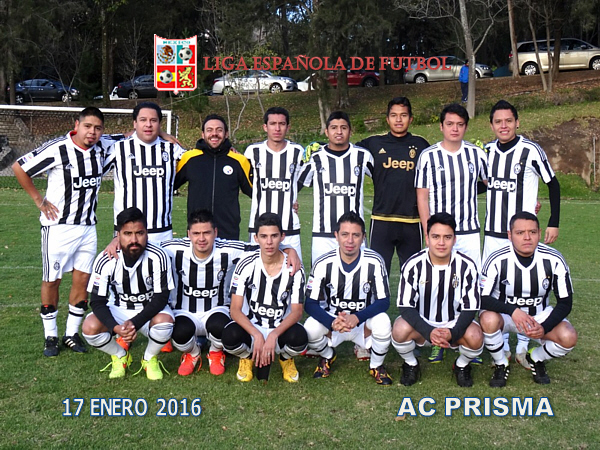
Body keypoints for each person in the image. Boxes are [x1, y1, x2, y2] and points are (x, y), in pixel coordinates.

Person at [12, 107, 116, 357]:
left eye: (98, 128)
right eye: (87, 126)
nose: (92, 132)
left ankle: (71, 333)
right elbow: (19, 167)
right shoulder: (58, 148)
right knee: (52, 280)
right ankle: (50, 336)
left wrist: (164, 135)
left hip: (87, 227)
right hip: (58, 227)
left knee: (82, 280)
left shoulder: (103, 146)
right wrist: (39, 200)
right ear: (76, 125)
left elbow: (132, 133)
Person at [161, 209, 301, 376]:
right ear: (188, 234)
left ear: (215, 232)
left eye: (207, 233)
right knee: (178, 332)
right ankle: (192, 353)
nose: (202, 238)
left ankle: (215, 351)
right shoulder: (172, 248)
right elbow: (147, 248)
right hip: (184, 311)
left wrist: (289, 250)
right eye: (196, 233)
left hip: (216, 310)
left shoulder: (228, 249)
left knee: (222, 327)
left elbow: (264, 245)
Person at [484, 99, 561, 366]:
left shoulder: (531, 150)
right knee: (495, 290)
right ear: (491, 125)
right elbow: (484, 185)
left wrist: (553, 221)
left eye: (508, 120)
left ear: (517, 122)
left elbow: (553, 184)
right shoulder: (487, 151)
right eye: (498, 121)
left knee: (527, 286)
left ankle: (524, 345)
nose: (503, 126)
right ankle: (502, 346)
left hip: (523, 234)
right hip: (493, 233)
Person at [480, 211, 577, 386]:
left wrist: (545, 327)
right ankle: (501, 362)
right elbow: (482, 297)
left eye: (532, 232)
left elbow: (565, 302)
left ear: (539, 233)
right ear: (510, 235)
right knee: (487, 319)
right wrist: (513, 311)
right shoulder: (497, 259)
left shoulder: (554, 259)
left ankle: (536, 357)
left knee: (568, 337)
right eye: (520, 233)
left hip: (538, 316)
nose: (527, 238)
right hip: (505, 315)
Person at [82, 207, 175, 380]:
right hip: (118, 309)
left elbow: (160, 298)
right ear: (118, 235)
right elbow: (97, 301)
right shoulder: (105, 259)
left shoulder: (158, 256)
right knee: (89, 327)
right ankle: (120, 356)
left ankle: (149, 358)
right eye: (127, 234)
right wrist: (115, 327)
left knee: (165, 323)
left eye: (139, 233)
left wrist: (134, 323)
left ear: (147, 233)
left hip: (149, 312)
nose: (134, 240)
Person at [392, 212, 483, 387]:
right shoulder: (413, 265)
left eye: (447, 237)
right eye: (436, 237)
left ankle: (461, 365)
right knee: (399, 329)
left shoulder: (467, 266)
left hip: (454, 322)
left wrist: (453, 333)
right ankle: (411, 364)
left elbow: (470, 307)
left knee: (475, 336)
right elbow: (405, 306)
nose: (441, 243)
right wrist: (429, 331)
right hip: (423, 322)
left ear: (454, 240)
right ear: (427, 239)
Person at [304, 212, 393, 385]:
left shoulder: (374, 261)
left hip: (363, 323)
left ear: (363, 237)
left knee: (383, 321)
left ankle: (376, 365)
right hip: (334, 324)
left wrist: (357, 317)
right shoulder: (323, 263)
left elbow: (384, 301)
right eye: (345, 234)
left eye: (356, 235)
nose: (350, 240)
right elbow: (310, 303)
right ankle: (328, 356)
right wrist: (331, 322)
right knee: (310, 328)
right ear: (336, 236)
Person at [222, 213, 307, 383]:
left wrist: (274, 334)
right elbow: (235, 310)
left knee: (301, 339)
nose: (269, 242)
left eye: (274, 236)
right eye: (264, 236)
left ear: (282, 237)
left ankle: (285, 358)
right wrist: (257, 334)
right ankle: (246, 357)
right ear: (256, 238)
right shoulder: (246, 264)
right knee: (229, 336)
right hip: (252, 326)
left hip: (280, 328)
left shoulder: (294, 267)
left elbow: (297, 312)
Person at [355, 97, 430, 274]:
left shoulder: (421, 145)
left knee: (413, 273)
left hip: (411, 221)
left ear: (411, 119)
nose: (398, 120)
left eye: (403, 115)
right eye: (394, 115)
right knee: (377, 272)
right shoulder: (373, 143)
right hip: (382, 220)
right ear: (387, 119)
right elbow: (347, 152)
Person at [415, 103, 487, 267]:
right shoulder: (428, 156)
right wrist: (428, 232)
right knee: (439, 277)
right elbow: (422, 198)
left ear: (466, 127)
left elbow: (494, 184)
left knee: (471, 277)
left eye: (460, 124)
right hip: (439, 233)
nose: (455, 129)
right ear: (441, 126)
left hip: (469, 232)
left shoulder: (477, 154)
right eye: (450, 124)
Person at [104, 102, 185, 245]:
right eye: (143, 120)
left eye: (153, 120)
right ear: (135, 123)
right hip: (127, 231)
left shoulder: (172, 149)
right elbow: (96, 140)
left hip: (162, 232)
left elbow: (196, 162)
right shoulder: (119, 148)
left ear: (159, 124)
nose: (148, 124)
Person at [298, 111, 374, 264]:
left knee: (356, 276)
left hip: (354, 234)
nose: (339, 132)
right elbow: (297, 184)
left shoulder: (363, 156)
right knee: (322, 276)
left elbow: (382, 181)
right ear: (326, 132)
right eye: (334, 128)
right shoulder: (315, 158)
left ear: (350, 131)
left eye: (343, 128)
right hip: (323, 235)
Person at [175, 114, 252, 240]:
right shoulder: (189, 158)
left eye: (219, 130)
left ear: (226, 134)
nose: (214, 134)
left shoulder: (239, 160)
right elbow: (167, 185)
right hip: (198, 234)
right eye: (209, 130)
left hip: (228, 233)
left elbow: (257, 192)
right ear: (203, 134)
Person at [244, 107, 304, 258]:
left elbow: (301, 179)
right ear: (265, 127)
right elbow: (245, 181)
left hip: (289, 227)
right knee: (258, 269)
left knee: (292, 268)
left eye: (282, 124)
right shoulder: (252, 151)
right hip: (258, 227)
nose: (277, 128)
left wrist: (292, 198)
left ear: (288, 127)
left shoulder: (297, 152)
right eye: (272, 124)